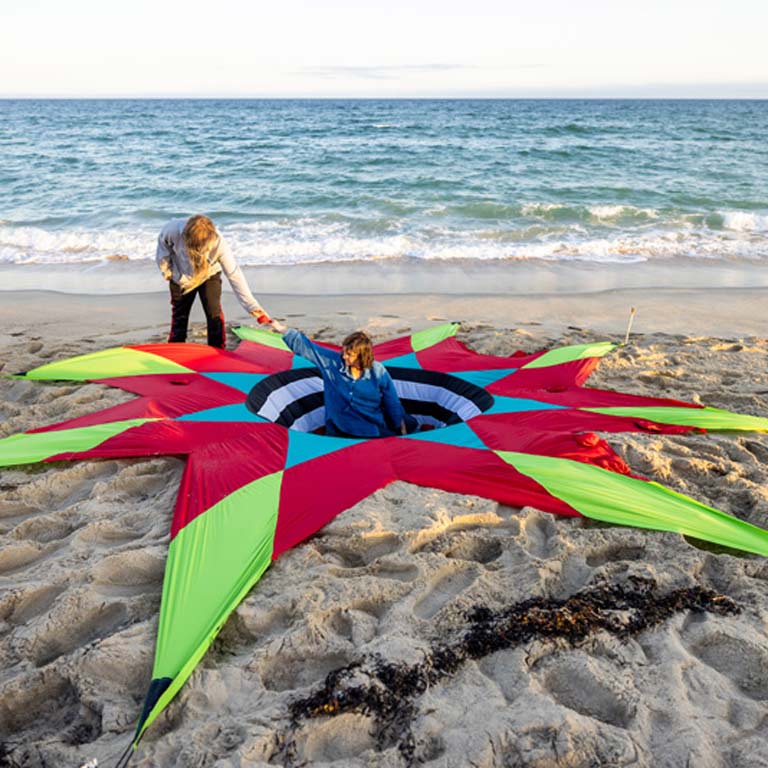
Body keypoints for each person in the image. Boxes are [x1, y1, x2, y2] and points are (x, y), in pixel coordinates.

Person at [270, 321, 417, 438]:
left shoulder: (378, 372)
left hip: (372, 419)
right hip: (342, 424)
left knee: (410, 425)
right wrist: (280, 328)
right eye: (344, 352)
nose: (344, 356)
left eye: (349, 354)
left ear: (361, 356)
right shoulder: (333, 362)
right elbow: (308, 348)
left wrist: (400, 425)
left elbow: (392, 400)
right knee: (382, 438)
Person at [156, 215, 271, 348]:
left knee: (213, 312)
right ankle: (176, 347)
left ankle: (217, 348)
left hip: (209, 274)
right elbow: (163, 250)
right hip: (181, 277)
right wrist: (167, 271)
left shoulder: (219, 243)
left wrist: (253, 307)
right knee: (179, 315)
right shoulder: (171, 230)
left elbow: (234, 274)